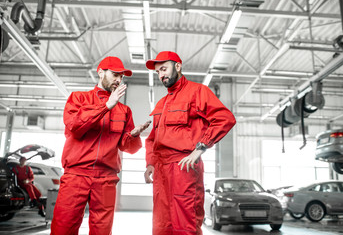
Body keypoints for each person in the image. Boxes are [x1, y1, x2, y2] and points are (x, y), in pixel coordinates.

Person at [51, 56, 151, 235]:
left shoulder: (124, 111)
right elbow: (75, 126)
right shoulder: (78, 98)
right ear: (100, 72)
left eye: (121, 76)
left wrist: (134, 136)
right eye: (114, 74)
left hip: (106, 178)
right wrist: (105, 106)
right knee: (63, 228)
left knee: (102, 231)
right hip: (76, 175)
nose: (118, 80)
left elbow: (129, 148)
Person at [144, 51, 236, 235]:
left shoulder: (197, 92)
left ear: (177, 66)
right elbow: (152, 138)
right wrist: (151, 163)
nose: (161, 74)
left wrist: (200, 147)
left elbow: (225, 118)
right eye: (157, 72)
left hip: (183, 167)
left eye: (164, 69)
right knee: (161, 225)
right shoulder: (161, 104)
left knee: (185, 224)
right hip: (161, 171)